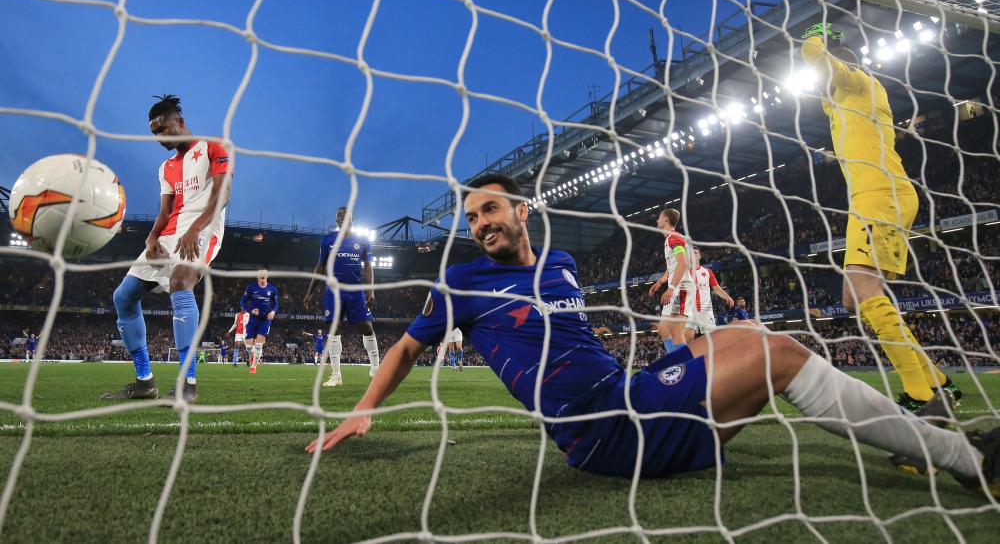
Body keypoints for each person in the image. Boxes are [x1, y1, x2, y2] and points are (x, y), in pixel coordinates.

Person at [306, 173, 1000, 498]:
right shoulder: (463, 281)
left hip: (628, 393)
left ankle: (930, 441)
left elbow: (569, 336)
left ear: (521, 211)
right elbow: (406, 347)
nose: (480, 223)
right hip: (604, 432)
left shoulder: (563, 263)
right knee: (779, 354)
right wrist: (364, 408)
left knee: (750, 331)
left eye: (490, 210)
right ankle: (965, 460)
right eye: (472, 217)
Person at [801, 23, 960, 411]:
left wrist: (817, 37)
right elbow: (824, 93)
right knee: (853, 298)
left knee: (864, 293)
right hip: (874, 198)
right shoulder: (841, 101)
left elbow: (814, 56)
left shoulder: (861, 83)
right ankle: (939, 382)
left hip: (880, 196)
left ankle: (920, 394)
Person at [101, 94, 232, 403]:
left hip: (204, 228)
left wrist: (195, 229)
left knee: (180, 282)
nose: (159, 137)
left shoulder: (214, 148)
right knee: (123, 296)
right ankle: (144, 382)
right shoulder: (166, 168)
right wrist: (151, 238)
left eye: (162, 129)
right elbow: (164, 212)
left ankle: (187, 385)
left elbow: (223, 194)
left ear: (180, 122)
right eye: (154, 133)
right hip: (169, 234)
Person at [302, 206, 380, 387]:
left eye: (345, 214)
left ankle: (376, 369)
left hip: (355, 291)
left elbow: (368, 266)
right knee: (333, 328)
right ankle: (336, 375)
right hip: (333, 291)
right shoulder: (327, 240)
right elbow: (320, 267)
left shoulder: (363, 240)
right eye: (339, 215)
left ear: (353, 218)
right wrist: (310, 292)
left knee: (366, 327)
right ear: (336, 220)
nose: (341, 216)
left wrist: (370, 291)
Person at [648, 208, 696, 354]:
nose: (657, 220)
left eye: (659, 217)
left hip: (681, 287)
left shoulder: (673, 238)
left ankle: (686, 365)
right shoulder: (671, 238)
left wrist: (671, 288)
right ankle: (675, 360)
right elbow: (673, 266)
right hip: (676, 287)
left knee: (676, 331)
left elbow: (683, 263)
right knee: (663, 329)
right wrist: (661, 282)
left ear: (666, 219)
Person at [685, 246, 734, 342]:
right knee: (688, 338)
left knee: (711, 339)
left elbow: (717, 288)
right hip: (689, 310)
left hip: (706, 310)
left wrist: (728, 297)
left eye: (695, 253)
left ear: (699, 256)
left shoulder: (707, 272)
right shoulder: (684, 272)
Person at [241, 269, 279, 375]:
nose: (262, 278)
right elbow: (242, 302)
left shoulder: (272, 289)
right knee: (248, 346)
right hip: (253, 318)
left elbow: (276, 304)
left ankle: (254, 366)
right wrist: (250, 311)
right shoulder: (251, 288)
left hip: (265, 319)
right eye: (261, 276)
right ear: (257, 277)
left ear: (267, 277)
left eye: (264, 276)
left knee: (258, 344)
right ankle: (252, 355)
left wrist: (273, 311)